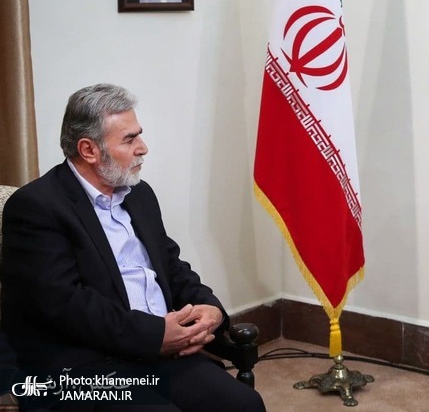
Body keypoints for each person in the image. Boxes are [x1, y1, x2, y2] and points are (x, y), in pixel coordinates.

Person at [1, 84, 265, 411]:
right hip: (85, 364)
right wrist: (155, 334)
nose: (143, 148)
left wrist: (209, 307)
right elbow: (65, 305)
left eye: (139, 135)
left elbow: (170, 265)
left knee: (243, 405)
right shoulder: (36, 207)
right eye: (129, 139)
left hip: (161, 351)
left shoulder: (139, 194)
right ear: (89, 150)